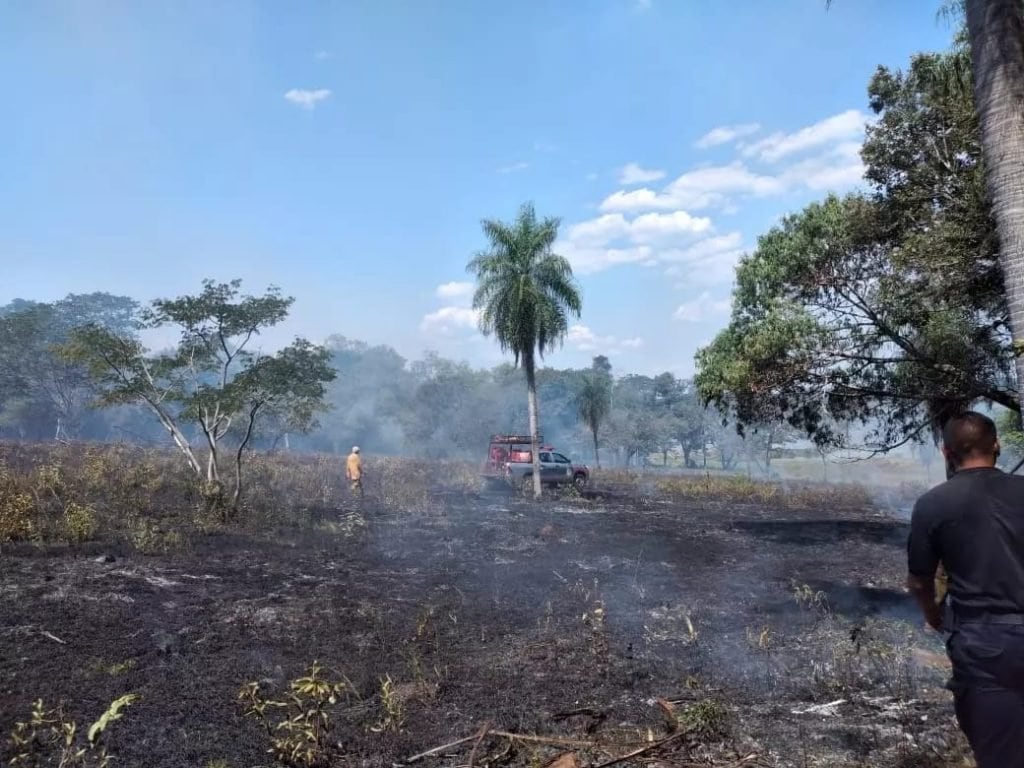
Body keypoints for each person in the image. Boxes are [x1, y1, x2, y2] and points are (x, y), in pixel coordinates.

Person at [906, 411, 1024, 767]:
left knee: (1001, 754)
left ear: (946, 453)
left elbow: (919, 581)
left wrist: (934, 615)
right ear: (997, 445)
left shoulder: (933, 504)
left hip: (984, 646)